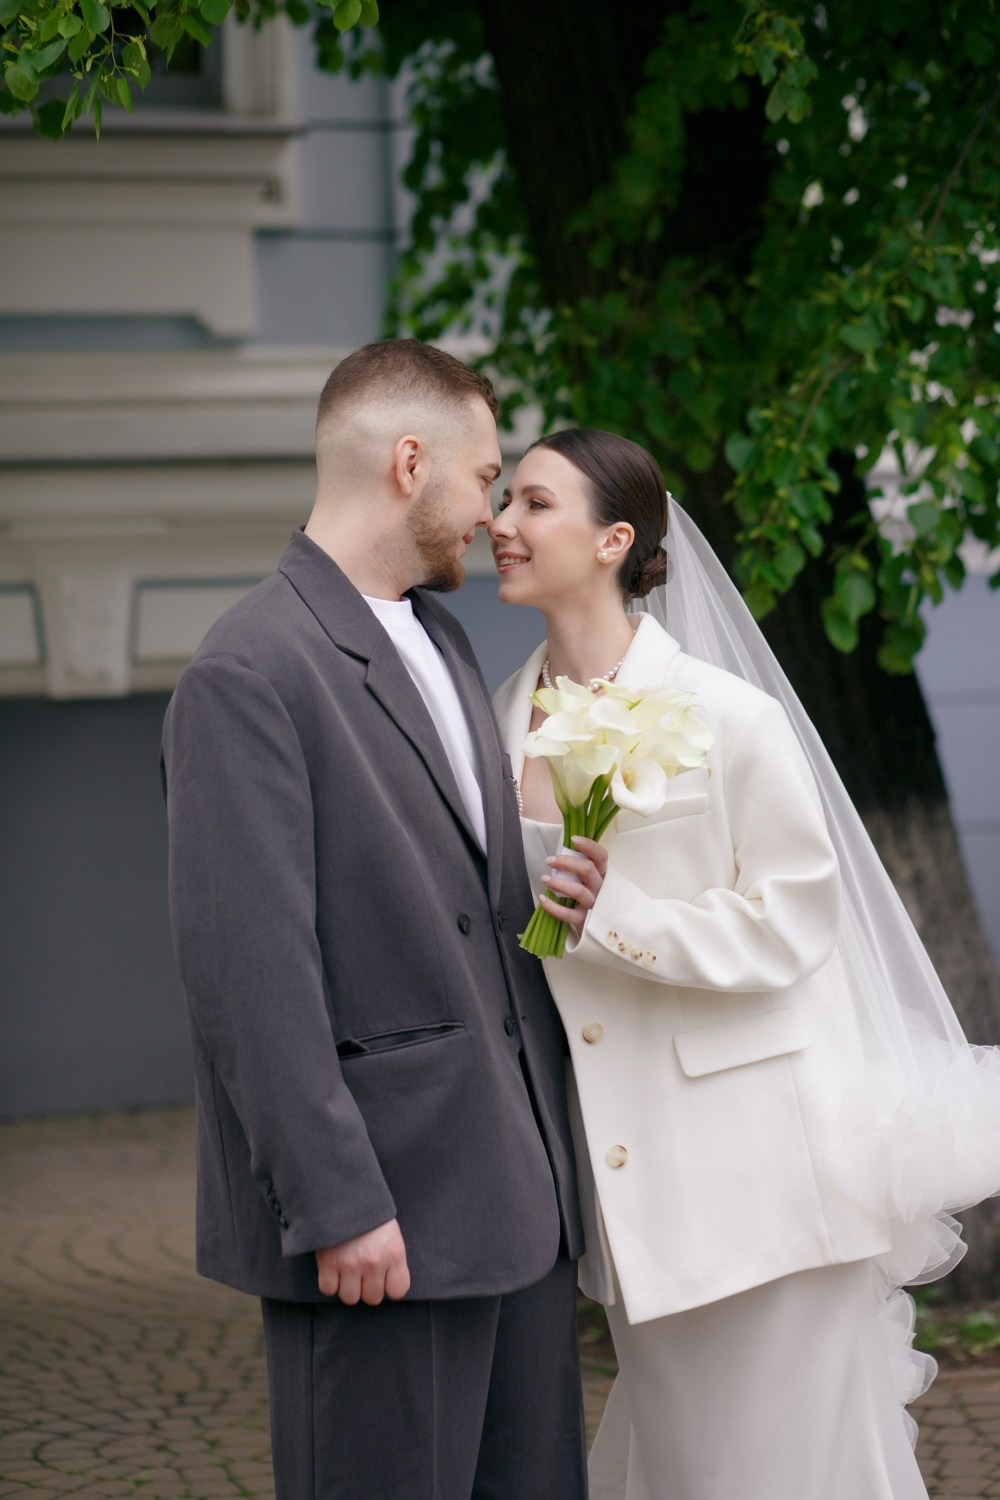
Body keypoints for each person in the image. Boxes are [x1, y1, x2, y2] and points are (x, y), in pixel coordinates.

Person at [489, 426, 1000, 1500]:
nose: (501, 525)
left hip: (759, 1177)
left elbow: (791, 926)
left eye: (534, 504)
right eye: (502, 501)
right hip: (626, 1191)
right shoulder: (494, 722)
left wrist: (617, 917)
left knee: (798, 1469)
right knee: (690, 1466)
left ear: (612, 538)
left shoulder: (728, 718)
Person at [161, 340, 588, 1500]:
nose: (492, 512)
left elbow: (469, 922)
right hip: (379, 1229)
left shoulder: (441, 639)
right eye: (483, 474)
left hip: (517, 1200)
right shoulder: (247, 672)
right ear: (411, 463)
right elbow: (246, 971)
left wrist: (560, 914)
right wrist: (336, 1203)